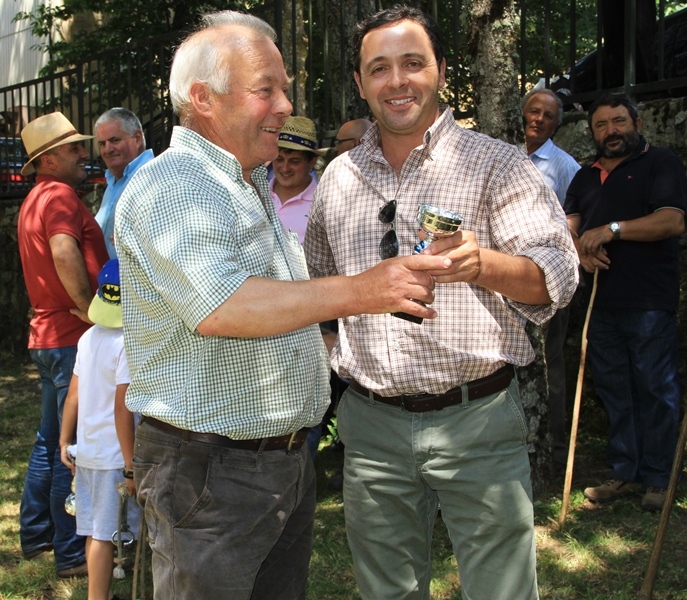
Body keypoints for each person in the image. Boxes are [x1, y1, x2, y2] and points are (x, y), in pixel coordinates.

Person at [114, 10, 451, 599]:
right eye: (264, 90)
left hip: (271, 467)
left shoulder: (244, 184)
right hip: (213, 475)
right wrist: (365, 290)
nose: (283, 106)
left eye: (285, 89)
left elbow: (277, 309)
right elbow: (223, 307)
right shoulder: (175, 185)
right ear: (202, 99)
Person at [305, 6, 579, 600]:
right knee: (386, 592)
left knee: (500, 592)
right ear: (359, 83)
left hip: (476, 420)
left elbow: (557, 275)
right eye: (379, 68)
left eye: (412, 63)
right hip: (372, 428)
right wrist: (337, 355)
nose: (396, 81)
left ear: (441, 71)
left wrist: (484, 265)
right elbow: (320, 286)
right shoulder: (338, 178)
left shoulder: (497, 165)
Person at [564, 92, 686, 512]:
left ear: (636, 122)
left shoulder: (660, 163)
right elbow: (568, 227)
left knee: (655, 386)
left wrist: (612, 229)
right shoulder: (582, 177)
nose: (611, 131)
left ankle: (660, 477)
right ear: (592, 131)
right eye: (601, 125)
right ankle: (624, 471)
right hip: (599, 301)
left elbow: (672, 220)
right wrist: (580, 247)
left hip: (649, 300)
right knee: (614, 387)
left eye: (618, 122)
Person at [17, 111, 109, 578]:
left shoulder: (34, 197)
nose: (83, 154)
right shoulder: (57, 196)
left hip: (48, 335)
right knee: (69, 445)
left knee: (48, 442)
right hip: (71, 336)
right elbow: (63, 250)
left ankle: (36, 534)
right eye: (74, 148)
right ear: (48, 159)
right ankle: (71, 551)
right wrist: (90, 307)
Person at [59, 258, 141, 600]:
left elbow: (73, 394)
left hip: (88, 449)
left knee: (96, 529)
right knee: (105, 534)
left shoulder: (89, 337)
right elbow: (122, 408)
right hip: (113, 456)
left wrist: (65, 441)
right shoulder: (127, 343)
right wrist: (130, 465)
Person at [522, 88, 581, 468]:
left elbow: (576, 222)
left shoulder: (564, 166)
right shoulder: (506, 155)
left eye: (547, 115)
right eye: (533, 111)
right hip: (504, 278)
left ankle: (554, 447)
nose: (538, 119)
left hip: (544, 281)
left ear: (557, 123)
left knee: (550, 362)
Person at [94, 108, 154, 258]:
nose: (107, 150)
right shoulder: (112, 182)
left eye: (115, 140)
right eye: (102, 144)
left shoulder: (155, 177)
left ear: (138, 138)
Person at [269, 115, 325, 244]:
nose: (285, 168)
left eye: (294, 161)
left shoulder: (322, 204)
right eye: (279, 159)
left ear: (312, 162)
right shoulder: (256, 194)